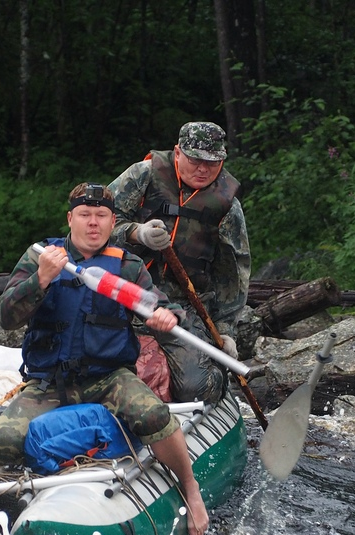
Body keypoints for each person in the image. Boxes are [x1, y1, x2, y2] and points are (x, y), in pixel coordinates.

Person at [0, 182, 209, 535]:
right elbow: (6, 317)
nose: (93, 223)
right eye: (85, 215)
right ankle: (45, 490)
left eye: (101, 216)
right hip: (50, 381)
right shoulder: (40, 256)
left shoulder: (126, 266)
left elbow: (162, 304)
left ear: (111, 222)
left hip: (108, 377)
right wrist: (41, 278)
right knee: (3, 443)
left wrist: (168, 317)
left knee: (154, 416)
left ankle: (190, 488)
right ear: (70, 219)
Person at [107, 121, 251, 404]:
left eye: (212, 163)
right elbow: (97, 225)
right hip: (123, 295)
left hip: (182, 305)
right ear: (177, 152)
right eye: (195, 160)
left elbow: (233, 272)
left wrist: (226, 330)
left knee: (193, 389)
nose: (203, 169)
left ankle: (215, 372)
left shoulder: (227, 205)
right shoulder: (143, 175)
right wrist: (137, 233)